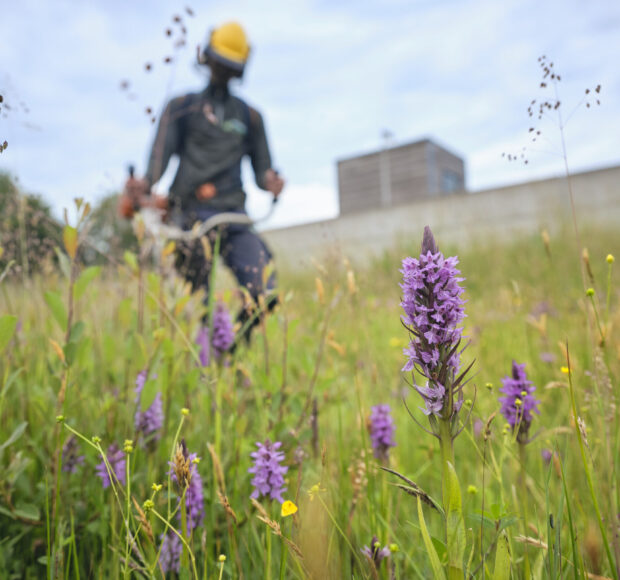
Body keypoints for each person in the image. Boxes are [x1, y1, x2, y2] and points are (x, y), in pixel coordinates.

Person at [124, 21, 285, 346]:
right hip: (190, 219)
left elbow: (262, 173)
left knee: (264, 292)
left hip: (234, 218)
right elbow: (157, 164)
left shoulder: (250, 118)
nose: (223, 72)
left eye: (230, 67)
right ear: (207, 59)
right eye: (219, 64)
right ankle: (203, 364)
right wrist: (143, 186)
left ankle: (229, 352)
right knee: (197, 306)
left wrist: (271, 183)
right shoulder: (181, 108)